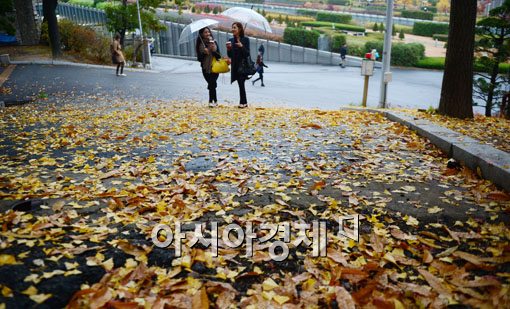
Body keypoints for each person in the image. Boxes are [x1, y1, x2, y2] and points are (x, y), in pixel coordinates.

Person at [227, 22, 250, 108]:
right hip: (235, 66)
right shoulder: (231, 40)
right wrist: (229, 49)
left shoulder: (245, 40)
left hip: (243, 65)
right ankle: (244, 102)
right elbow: (230, 55)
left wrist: (241, 46)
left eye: (234, 27)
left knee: (241, 83)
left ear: (239, 29)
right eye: (232, 27)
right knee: (240, 84)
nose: (232, 29)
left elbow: (247, 54)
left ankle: (243, 102)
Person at [196, 27, 221, 107]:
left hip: (215, 67)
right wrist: (204, 53)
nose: (208, 34)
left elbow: (219, 57)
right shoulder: (200, 45)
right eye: (205, 32)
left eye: (208, 32)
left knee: (212, 83)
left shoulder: (214, 42)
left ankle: (212, 101)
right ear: (202, 34)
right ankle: (214, 101)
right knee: (212, 83)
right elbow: (199, 59)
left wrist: (213, 51)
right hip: (205, 68)